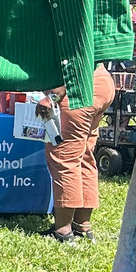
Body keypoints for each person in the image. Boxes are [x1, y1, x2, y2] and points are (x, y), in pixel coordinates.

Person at [37, 63, 117, 242]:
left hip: (77, 86)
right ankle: (82, 225)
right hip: (102, 80)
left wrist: (52, 97)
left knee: (64, 157)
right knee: (84, 156)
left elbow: (72, 59)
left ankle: (63, 231)